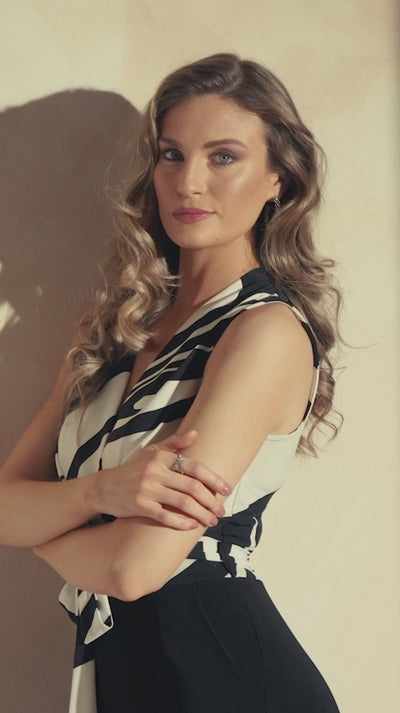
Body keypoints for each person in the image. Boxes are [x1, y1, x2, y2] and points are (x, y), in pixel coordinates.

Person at [0, 53, 342, 712]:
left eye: (223, 157)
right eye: (171, 155)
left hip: (225, 678)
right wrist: (100, 493)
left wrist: (43, 528)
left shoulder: (263, 331)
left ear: (278, 178)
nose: (189, 182)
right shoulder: (111, 332)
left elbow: (135, 568)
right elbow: (3, 505)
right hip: (125, 674)